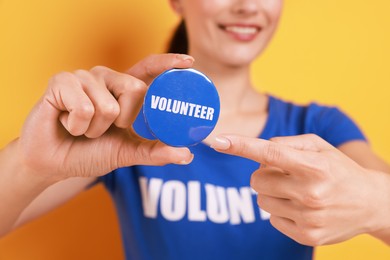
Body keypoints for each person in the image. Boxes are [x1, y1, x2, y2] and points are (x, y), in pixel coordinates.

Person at [0, 0, 389, 259]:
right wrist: (30, 162)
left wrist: (375, 202)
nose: (247, 6)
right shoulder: (123, 125)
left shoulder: (318, 127)